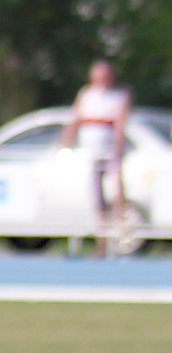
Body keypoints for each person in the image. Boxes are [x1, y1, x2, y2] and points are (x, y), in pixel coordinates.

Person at [60, 60, 131, 255]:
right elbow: (75, 119)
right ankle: (102, 241)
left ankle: (120, 235)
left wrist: (117, 148)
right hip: (90, 153)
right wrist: (66, 143)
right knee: (96, 196)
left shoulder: (119, 96)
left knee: (116, 192)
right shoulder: (86, 95)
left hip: (110, 152)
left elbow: (120, 124)